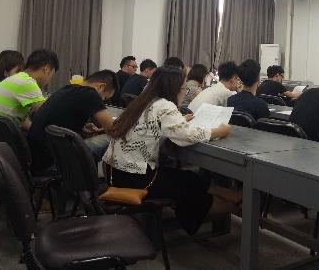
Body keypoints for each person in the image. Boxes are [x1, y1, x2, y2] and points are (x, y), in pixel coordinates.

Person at [102, 66, 240, 236]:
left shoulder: (143, 101)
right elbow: (186, 136)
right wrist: (218, 131)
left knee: (188, 178)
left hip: (114, 172)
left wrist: (180, 120)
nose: (184, 92)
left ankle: (228, 196)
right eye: (184, 88)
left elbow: (156, 124)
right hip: (136, 178)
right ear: (174, 88)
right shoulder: (164, 105)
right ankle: (231, 206)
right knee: (189, 184)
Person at [28, 70, 119, 172]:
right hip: (54, 162)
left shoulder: (67, 88)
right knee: (113, 140)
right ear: (101, 86)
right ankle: (96, 179)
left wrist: (82, 127)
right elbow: (113, 129)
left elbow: (61, 118)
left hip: (36, 158)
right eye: (104, 97)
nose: (102, 100)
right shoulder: (90, 93)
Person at [0, 49, 59, 148]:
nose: (49, 80)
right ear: (46, 69)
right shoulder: (27, 83)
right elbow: (47, 111)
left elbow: (23, 122)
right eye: (51, 75)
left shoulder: (17, 79)